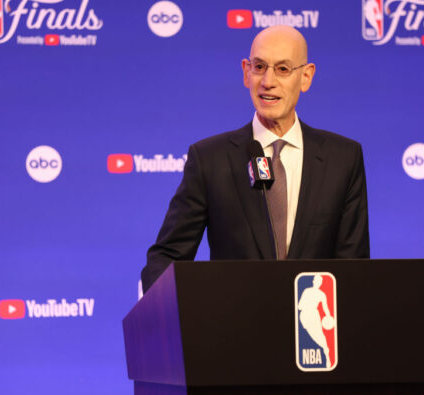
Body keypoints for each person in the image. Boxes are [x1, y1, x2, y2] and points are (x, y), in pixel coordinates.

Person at [141, 25, 369, 293]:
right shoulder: (210, 159)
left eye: (283, 69)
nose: (268, 81)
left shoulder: (343, 159)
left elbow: (354, 268)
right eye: (259, 67)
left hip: (312, 329)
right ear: (246, 72)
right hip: (233, 327)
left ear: (306, 77)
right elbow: (167, 256)